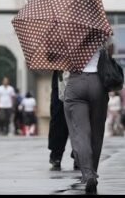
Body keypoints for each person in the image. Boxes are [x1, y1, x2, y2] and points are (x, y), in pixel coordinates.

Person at [64, 36, 114, 194]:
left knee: (81, 133)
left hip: (76, 83)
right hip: (98, 83)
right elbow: (111, 51)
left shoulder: (67, 34)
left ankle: (88, 174)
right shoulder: (101, 30)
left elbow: (56, 59)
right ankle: (93, 170)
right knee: (96, 133)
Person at [48, 70, 79, 171]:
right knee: (58, 121)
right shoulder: (57, 54)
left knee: (78, 121)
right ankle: (56, 155)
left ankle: (78, 155)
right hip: (59, 83)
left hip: (78, 82)